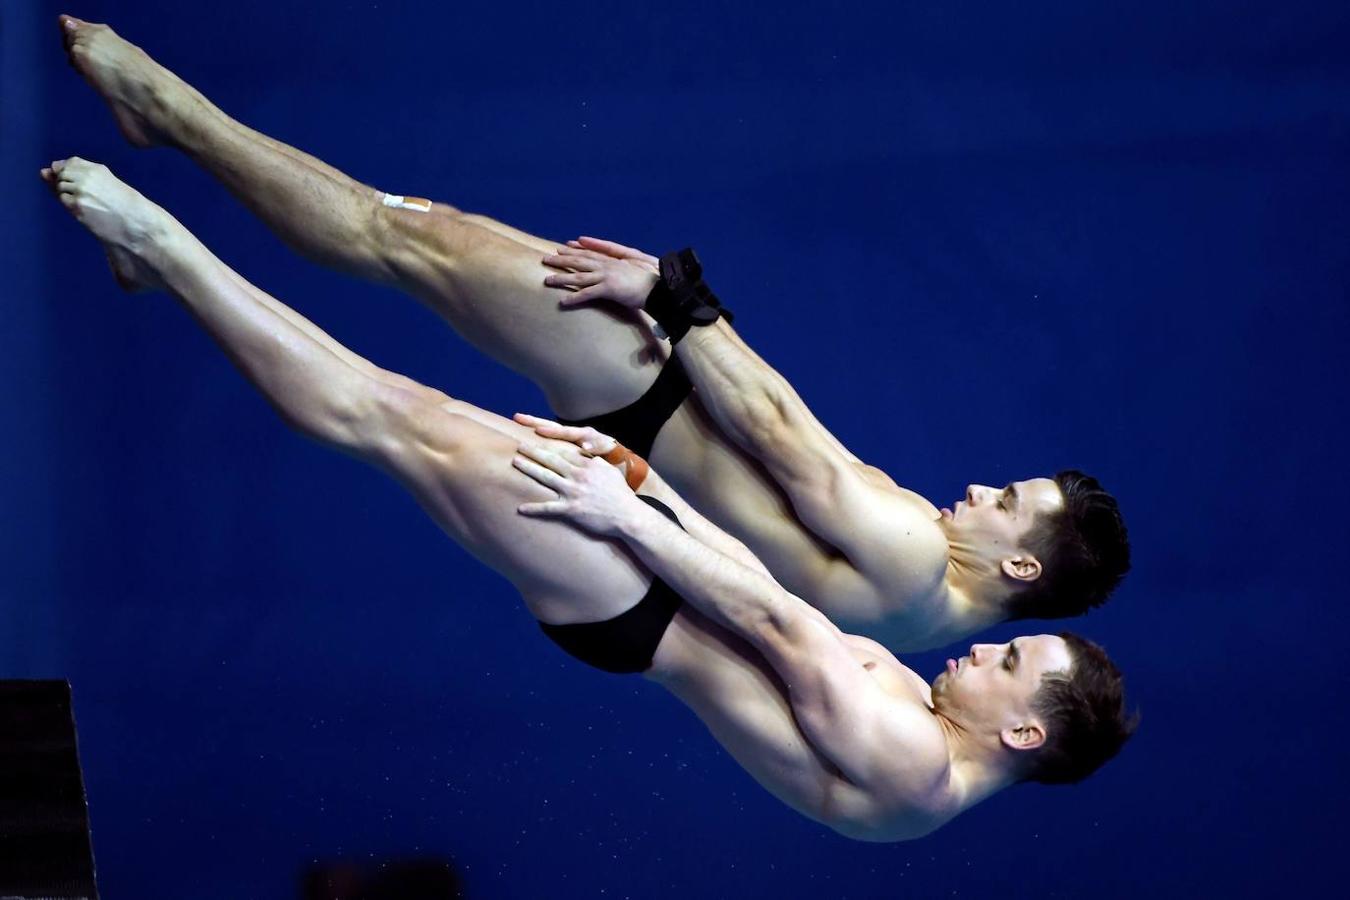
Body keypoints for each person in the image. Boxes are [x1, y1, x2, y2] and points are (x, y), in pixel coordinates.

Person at [41, 156, 1135, 840]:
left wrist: (629, 514)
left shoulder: (914, 768)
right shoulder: (926, 726)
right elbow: (766, 595)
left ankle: (161, 245)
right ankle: (166, 250)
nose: (983, 657)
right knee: (396, 403)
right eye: (1000, 648)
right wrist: (654, 492)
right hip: (653, 563)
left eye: (1006, 665)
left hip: (638, 597)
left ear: (1029, 732)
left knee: (386, 415)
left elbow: (773, 623)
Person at [56, 15, 1130, 652]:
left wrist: (672, 300)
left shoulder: (907, 553)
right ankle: (161, 218)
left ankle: (160, 106)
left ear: (1024, 570)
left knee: (404, 237)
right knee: (380, 392)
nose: (982, 492)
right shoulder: (917, 630)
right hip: (632, 481)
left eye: (1008, 505)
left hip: (649, 398)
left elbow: (777, 430)